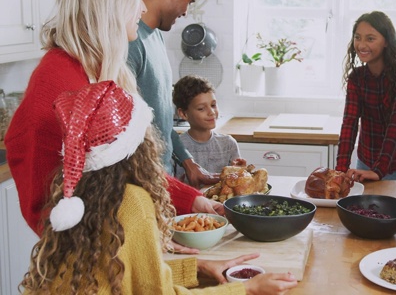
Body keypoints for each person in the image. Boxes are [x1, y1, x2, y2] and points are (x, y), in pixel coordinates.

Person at [4, 0, 219, 237]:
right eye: (134, 0)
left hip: (117, 245)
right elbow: (48, 211)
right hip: (88, 262)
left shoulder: (106, 71)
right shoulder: (57, 81)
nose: (142, 10)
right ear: (111, 7)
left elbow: (130, 169)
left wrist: (191, 199)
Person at [20, 81, 297, 294]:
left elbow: (132, 277)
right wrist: (247, 288)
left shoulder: (80, 195)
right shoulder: (132, 202)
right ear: (139, 144)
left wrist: (198, 268)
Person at [128, 0, 215, 189]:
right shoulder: (131, 43)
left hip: (161, 180)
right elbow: (128, 133)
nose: (186, 12)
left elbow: (161, 116)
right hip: (140, 186)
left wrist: (187, 161)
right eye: (188, 1)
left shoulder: (154, 35)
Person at [335, 11, 396, 181]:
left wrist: (379, 170)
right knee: (364, 208)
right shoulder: (357, 78)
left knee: (392, 208)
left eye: (370, 38)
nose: (361, 45)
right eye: (357, 37)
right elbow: (349, 123)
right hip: (366, 160)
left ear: (386, 42)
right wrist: (340, 170)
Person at [172, 75, 243, 185]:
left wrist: (239, 171)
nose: (211, 112)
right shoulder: (176, 147)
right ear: (183, 114)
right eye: (201, 108)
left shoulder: (228, 144)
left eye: (213, 105)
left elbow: (236, 184)